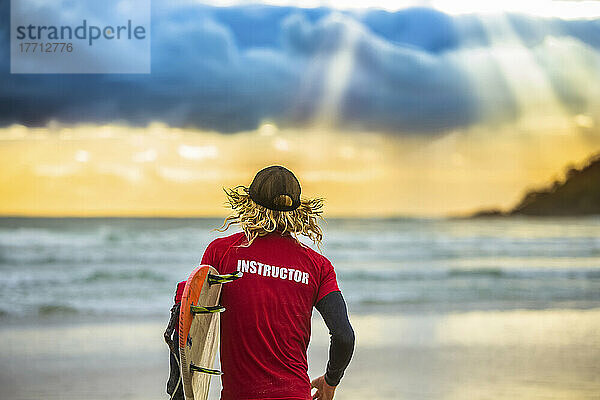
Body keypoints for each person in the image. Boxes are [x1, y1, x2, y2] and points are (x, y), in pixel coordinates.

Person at [169, 165, 355, 400]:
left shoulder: (222, 253)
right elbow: (343, 336)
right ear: (298, 210)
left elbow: (187, 321)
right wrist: (331, 380)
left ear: (249, 204)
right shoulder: (318, 266)